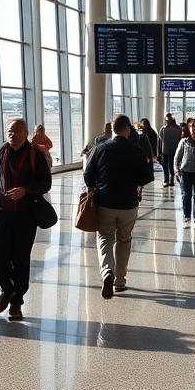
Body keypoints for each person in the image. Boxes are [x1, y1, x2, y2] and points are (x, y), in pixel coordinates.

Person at [0, 119, 52, 321]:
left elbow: (46, 183)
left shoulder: (35, 155)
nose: (12, 134)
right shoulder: (0, 153)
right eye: (9, 131)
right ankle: (7, 288)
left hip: (26, 215)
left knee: (20, 257)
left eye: (16, 131)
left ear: (25, 133)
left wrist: (25, 189)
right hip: (2, 212)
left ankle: (17, 302)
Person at [83, 114, 147, 298]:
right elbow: (145, 178)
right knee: (124, 240)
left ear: (112, 129)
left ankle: (107, 273)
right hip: (128, 204)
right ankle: (120, 282)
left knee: (105, 238)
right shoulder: (136, 150)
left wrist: (97, 185)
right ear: (127, 129)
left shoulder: (100, 148)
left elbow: (88, 176)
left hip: (105, 202)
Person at [158, 114, 182, 188]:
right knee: (171, 165)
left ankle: (167, 180)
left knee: (166, 166)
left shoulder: (163, 129)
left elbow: (160, 140)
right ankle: (171, 180)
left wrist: (158, 151)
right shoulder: (178, 129)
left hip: (165, 150)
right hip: (173, 150)